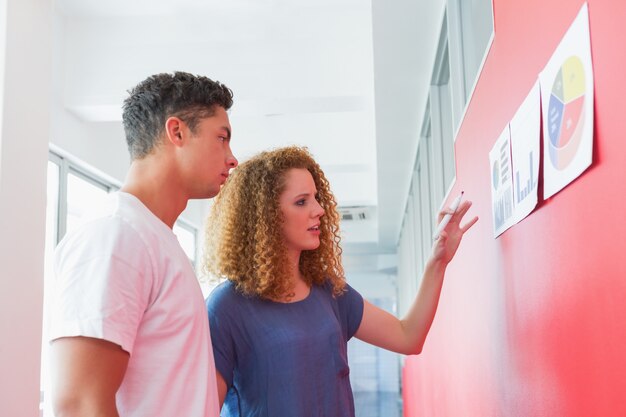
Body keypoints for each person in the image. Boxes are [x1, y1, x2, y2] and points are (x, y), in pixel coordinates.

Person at [204, 146, 478, 416]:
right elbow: (205, 410)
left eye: (316, 197)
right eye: (302, 201)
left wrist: (437, 260)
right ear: (265, 217)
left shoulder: (329, 292)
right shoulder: (226, 307)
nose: (319, 210)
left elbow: (409, 337)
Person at [49, 71, 238, 417]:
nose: (232, 157)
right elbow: (78, 404)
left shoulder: (155, 239)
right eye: (221, 138)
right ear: (177, 131)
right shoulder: (116, 235)